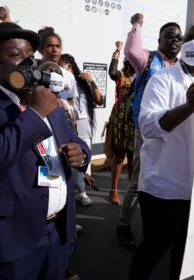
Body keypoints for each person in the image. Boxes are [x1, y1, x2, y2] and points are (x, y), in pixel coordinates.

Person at [0, 22, 90, 279]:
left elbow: (74, 139)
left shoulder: (44, 98)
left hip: (57, 232)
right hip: (13, 240)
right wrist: (33, 115)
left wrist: (82, 153)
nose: (27, 64)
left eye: (29, 56)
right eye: (15, 55)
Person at [129, 19, 194, 280]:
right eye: (189, 38)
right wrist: (186, 108)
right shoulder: (163, 79)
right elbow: (148, 126)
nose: (193, 43)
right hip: (164, 189)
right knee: (153, 248)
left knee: (185, 254)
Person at [115, 13, 182, 249]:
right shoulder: (149, 61)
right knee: (140, 180)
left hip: (174, 131)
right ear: (160, 40)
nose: (175, 39)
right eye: (169, 35)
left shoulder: (183, 67)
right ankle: (123, 225)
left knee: (166, 179)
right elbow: (132, 50)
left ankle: (155, 229)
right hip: (148, 130)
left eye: (179, 36)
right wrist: (137, 24)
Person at [38, 27, 93, 206]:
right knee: (42, 168)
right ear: (41, 49)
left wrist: (72, 132)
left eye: (57, 46)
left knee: (62, 169)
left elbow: (70, 102)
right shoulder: (32, 71)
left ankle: (65, 210)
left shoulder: (68, 76)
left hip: (61, 123)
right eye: (49, 46)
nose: (54, 50)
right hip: (38, 125)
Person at [59, 53, 103, 206]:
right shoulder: (59, 85)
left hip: (84, 129)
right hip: (66, 127)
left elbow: (99, 100)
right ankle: (74, 194)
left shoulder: (82, 83)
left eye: (62, 66)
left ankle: (81, 192)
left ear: (70, 67)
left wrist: (92, 82)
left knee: (82, 162)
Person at [107, 41, 136, 205]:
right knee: (119, 156)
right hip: (119, 117)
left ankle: (131, 192)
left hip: (133, 118)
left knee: (132, 157)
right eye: (131, 60)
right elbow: (111, 71)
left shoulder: (140, 77)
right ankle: (113, 192)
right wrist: (117, 51)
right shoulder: (121, 75)